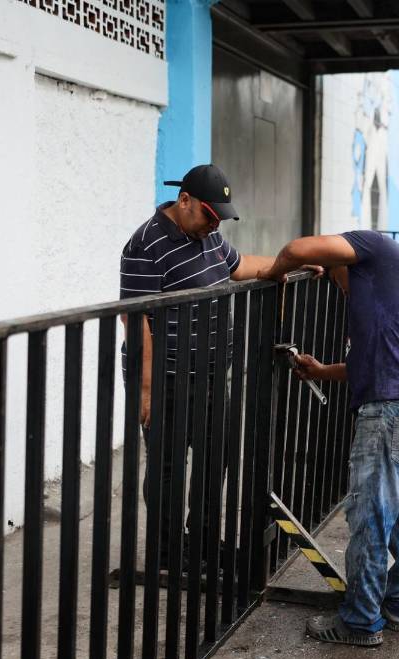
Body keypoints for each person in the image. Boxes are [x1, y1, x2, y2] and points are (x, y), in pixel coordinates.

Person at [261, 231, 399, 647]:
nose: (335, 286)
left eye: (330, 277)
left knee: (370, 518)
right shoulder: (396, 293)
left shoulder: (377, 249)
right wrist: (322, 370)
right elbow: (371, 361)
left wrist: (277, 275)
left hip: (392, 412)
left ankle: (361, 621)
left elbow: (293, 249)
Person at [119, 164, 281, 564]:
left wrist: (288, 264)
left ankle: (203, 540)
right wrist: (145, 391)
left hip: (210, 373)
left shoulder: (209, 238)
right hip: (167, 378)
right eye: (209, 215)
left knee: (215, 456)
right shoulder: (146, 243)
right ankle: (167, 550)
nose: (214, 225)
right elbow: (136, 318)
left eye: (219, 218)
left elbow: (241, 267)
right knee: (168, 467)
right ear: (184, 200)